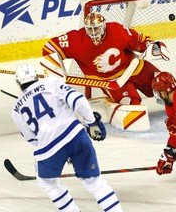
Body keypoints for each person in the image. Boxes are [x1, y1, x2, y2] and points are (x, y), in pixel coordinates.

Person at [11, 63, 123, 212]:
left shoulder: (16, 110)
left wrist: (54, 145)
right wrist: (91, 122)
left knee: (47, 183)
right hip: (76, 135)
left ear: (18, 83)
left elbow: (33, 140)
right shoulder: (51, 82)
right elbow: (78, 101)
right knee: (95, 183)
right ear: (37, 76)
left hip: (49, 148)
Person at [42, 12, 169, 105]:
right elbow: (49, 48)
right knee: (132, 103)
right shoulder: (76, 40)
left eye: (96, 28)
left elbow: (140, 41)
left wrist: (153, 46)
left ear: (103, 26)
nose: (93, 33)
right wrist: (55, 71)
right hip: (112, 82)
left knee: (167, 86)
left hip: (136, 69)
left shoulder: (117, 30)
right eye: (90, 30)